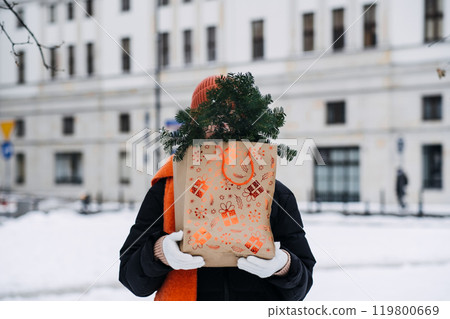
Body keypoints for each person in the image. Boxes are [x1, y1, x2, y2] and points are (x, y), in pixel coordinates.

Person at [119, 76, 316, 301]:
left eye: (231, 117)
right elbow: (130, 276)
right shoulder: (166, 191)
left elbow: (302, 285)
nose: (221, 127)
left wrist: (283, 266)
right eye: (210, 117)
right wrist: (159, 253)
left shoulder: (275, 194)